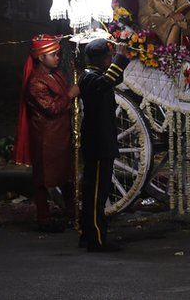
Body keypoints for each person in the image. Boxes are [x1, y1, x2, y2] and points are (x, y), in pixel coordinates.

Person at [12, 35, 78, 233]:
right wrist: (69, 95)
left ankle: (71, 212)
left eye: (57, 54)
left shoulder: (55, 74)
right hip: (46, 138)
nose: (57, 58)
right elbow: (51, 108)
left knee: (67, 176)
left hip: (61, 135)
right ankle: (44, 218)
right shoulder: (36, 82)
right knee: (42, 180)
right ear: (41, 57)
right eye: (53, 54)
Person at [78, 38, 129, 252]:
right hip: (98, 144)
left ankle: (88, 235)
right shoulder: (90, 78)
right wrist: (120, 56)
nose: (110, 61)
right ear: (101, 59)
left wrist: (120, 59)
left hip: (99, 143)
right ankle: (97, 240)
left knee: (95, 192)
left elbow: (112, 79)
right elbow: (105, 82)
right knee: (97, 194)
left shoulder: (94, 76)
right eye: (108, 57)